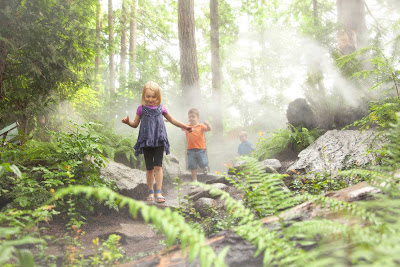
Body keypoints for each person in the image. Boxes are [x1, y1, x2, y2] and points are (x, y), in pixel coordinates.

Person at [122, 81, 191, 203]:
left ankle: (159, 191)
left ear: (158, 97)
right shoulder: (141, 109)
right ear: (144, 96)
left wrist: (185, 126)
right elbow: (135, 124)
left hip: (159, 140)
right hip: (147, 141)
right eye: (147, 96)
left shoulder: (162, 108)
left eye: (153, 97)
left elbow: (173, 120)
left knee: (158, 166)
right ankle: (150, 191)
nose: (150, 99)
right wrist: (128, 122)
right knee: (149, 168)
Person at [184, 108, 211, 184]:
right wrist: (170, 120)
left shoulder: (201, 126)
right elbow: (179, 125)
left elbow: (209, 129)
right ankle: (195, 181)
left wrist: (207, 124)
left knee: (203, 163)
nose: (191, 118)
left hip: (200, 149)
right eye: (190, 117)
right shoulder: (187, 126)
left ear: (197, 117)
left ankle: (205, 167)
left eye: (193, 117)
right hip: (190, 150)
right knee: (193, 166)